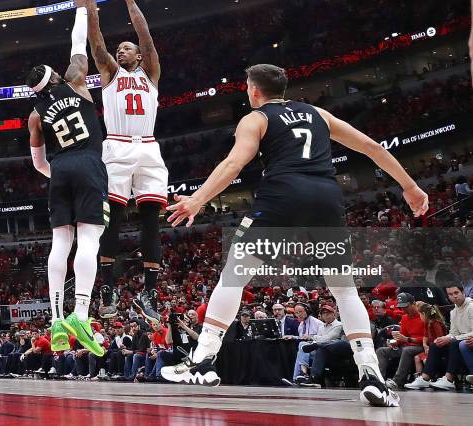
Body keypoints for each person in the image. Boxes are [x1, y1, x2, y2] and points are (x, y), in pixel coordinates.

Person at [161, 64, 428, 407]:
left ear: (254, 90)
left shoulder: (256, 118)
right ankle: (372, 375)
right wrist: (410, 186)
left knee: (234, 276)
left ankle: (204, 358)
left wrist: (197, 200)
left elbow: (233, 164)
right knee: (344, 289)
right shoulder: (317, 113)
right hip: (326, 199)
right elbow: (372, 147)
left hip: (282, 197)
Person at [27, 0, 106, 357]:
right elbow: (78, 44)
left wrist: (56, 173)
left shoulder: (34, 115)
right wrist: (82, 2)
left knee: (61, 243)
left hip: (59, 171)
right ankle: (81, 314)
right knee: (89, 240)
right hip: (89, 163)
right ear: (56, 79)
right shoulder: (75, 82)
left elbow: (38, 162)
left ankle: (56, 319)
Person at [86, 0, 168, 323]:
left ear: (138, 54)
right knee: (113, 222)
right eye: (120, 49)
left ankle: (149, 291)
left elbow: (146, 37)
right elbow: (96, 41)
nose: (122, 50)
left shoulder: (150, 71)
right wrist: (91, 4)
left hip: (148, 147)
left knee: (152, 222)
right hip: (116, 147)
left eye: (128, 48)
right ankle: (108, 287)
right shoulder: (109, 72)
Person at [403, 285, 473, 391]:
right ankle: (425, 378)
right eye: (450, 294)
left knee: (454, 342)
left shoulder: (471, 307)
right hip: (460, 339)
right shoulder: (453, 312)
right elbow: (453, 332)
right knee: (436, 344)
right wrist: (444, 338)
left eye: (456, 293)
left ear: (463, 293)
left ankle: (449, 380)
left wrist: (451, 338)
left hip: (467, 340)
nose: (454, 296)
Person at [376, 292, 424, 390]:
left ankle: (397, 381)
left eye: (406, 306)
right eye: (402, 307)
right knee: (381, 351)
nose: (404, 309)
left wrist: (407, 339)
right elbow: (402, 336)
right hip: (407, 345)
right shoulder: (405, 317)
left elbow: (428, 338)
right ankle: (379, 380)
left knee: (407, 350)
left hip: (421, 346)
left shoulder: (423, 316)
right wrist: (394, 342)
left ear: (413, 304)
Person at [405, 303, 447, 388]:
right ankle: (419, 379)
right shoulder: (427, 323)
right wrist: (425, 345)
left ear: (423, 314)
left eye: (420, 314)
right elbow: (425, 336)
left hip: (439, 348)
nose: (419, 316)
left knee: (425, 360)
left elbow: (440, 338)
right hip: (431, 347)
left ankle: (429, 379)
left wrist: (431, 348)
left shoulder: (435, 323)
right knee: (417, 358)